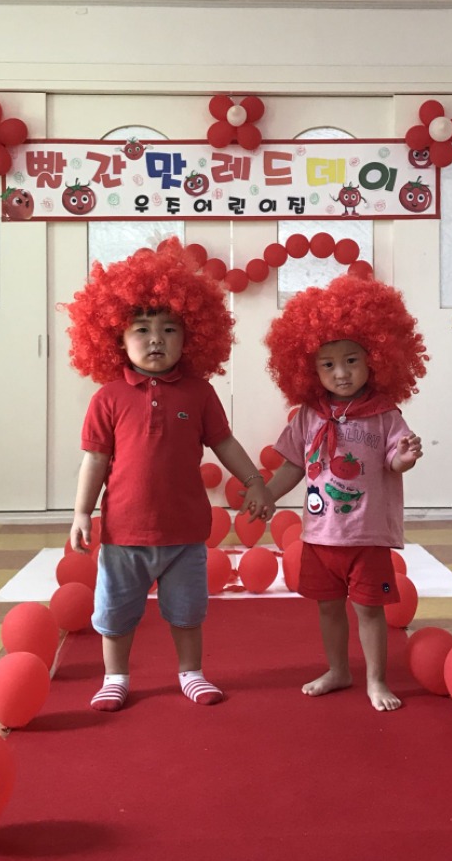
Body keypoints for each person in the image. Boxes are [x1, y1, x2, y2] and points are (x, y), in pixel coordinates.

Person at [65, 238, 272, 711]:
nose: (156, 339)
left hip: (185, 534)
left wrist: (255, 481)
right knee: (115, 614)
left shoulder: (199, 393)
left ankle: (191, 672)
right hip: (124, 533)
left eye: (169, 329)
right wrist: (81, 513)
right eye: (141, 329)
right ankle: (115, 676)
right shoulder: (108, 398)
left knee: (187, 612)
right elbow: (94, 459)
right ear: (115, 338)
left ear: (191, 336)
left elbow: (224, 443)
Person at [263, 272, 428, 711]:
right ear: (309, 369)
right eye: (328, 364)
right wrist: (267, 495)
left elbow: (394, 461)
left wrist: (405, 457)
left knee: (370, 610)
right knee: (328, 607)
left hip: (365, 535)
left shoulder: (385, 414)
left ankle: (376, 680)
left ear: (376, 358)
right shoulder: (308, 414)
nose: (341, 373)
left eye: (352, 360)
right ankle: (338, 669)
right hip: (320, 536)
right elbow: (294, 465)